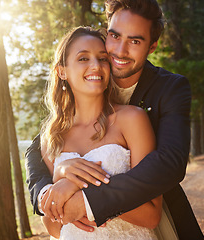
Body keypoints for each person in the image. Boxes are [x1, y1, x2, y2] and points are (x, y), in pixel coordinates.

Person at [26, 0, 204, 239]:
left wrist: (82, 189)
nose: (119, 51)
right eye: (114, 36)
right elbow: (36, 151)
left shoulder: (167, 90)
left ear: (152, 46)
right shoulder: (60, 128)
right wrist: (55, 179)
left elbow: (169, 163)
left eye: (135, 41)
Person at [38, 26, 162, 239]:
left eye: (103, 59)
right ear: (62, 71)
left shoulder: (131, 120)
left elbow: (151, 215)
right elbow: (53, 228)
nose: (96, 66)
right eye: (83, 58)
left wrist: (80, 190)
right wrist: (60, 175)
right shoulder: (52, 137)